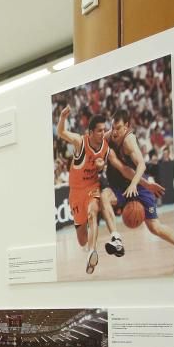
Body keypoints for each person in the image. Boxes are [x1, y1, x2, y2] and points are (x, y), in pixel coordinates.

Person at [101, 109, 174, 246]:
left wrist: (135, 184)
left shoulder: (129, 141)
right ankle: (116, 239)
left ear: (126, 126)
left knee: (155, 228)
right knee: (104, 196)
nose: (115, 132)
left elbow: (141, 165)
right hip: (119, 187)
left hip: (139, 184)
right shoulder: (107, 137)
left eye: (118, 128)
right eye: (113, 128)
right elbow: (88, 142)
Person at [57, 106, 114, 274]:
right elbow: (61, 132)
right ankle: (87, 246)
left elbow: (115, 134)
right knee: (81, 239)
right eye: (99, 131)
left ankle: (92, 251)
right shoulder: (80, 142)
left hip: (92, 188)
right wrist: (62, 118)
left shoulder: (105, 144)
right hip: (75, 192)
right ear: (90, 132)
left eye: (104, 130)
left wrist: (102, 164)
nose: (102, 133)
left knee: (92, 213)